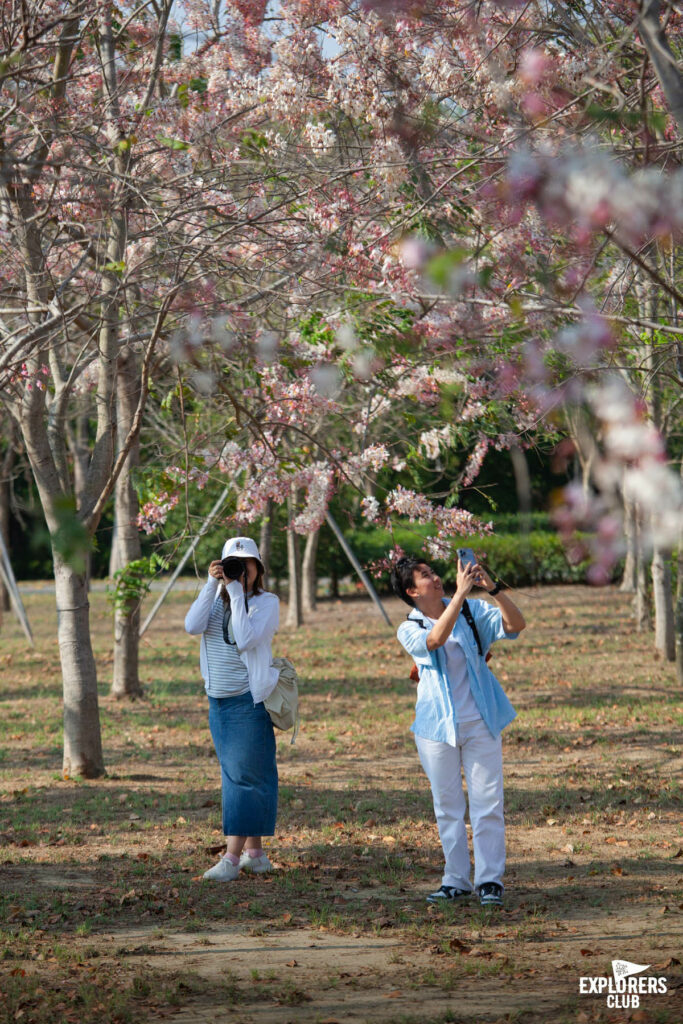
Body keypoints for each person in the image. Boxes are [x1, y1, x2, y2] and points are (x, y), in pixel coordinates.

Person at [391, 553, 526, 907]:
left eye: (434, 572)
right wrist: (462, 596)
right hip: (436, 728)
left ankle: (490, 881)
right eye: (425, 576)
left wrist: (493, 590)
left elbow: (515, 626)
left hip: (481, 721)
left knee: (488, 803)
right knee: (448, 806)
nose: (435, 578)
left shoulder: (470, 611)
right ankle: (455, 880)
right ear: (411, 591)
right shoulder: (409, 627)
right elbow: (434, 640)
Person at [185, 536, 280, 881]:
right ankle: (255, 855)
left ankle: (230, 860)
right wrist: (212, 584)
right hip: (218, 704)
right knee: (239, 776)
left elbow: (244, 639)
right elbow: (191, 626)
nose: (242, 571)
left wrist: (238, 592)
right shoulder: (213, 600)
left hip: (247, 703)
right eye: (233, 564)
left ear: (257, 568)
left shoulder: (266, 603)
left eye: (247, 564)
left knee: (242, 779)